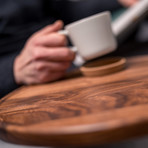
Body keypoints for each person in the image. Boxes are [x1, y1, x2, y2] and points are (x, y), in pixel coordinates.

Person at [0, 0, 138, 98]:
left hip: (68, 72)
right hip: (16, 96)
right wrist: (14, 69)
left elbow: (66, 11)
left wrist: (117, 1)